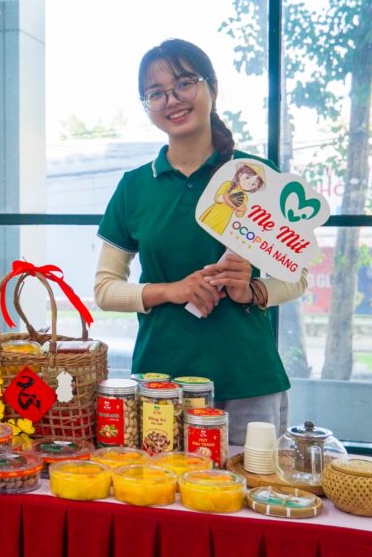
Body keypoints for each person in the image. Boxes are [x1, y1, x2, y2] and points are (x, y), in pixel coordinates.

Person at [94, 38, 308, 444]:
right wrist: (171, 290)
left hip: (248, 379)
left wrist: (252, 290)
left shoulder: (256, 175)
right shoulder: (134, 187)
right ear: (147, 106)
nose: (172, 100)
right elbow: (105, 290)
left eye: (184, 84)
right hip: (160, 383)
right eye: (156, 93)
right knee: (158, 485)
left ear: (212, 87)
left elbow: (297, 279)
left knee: (248, 484)